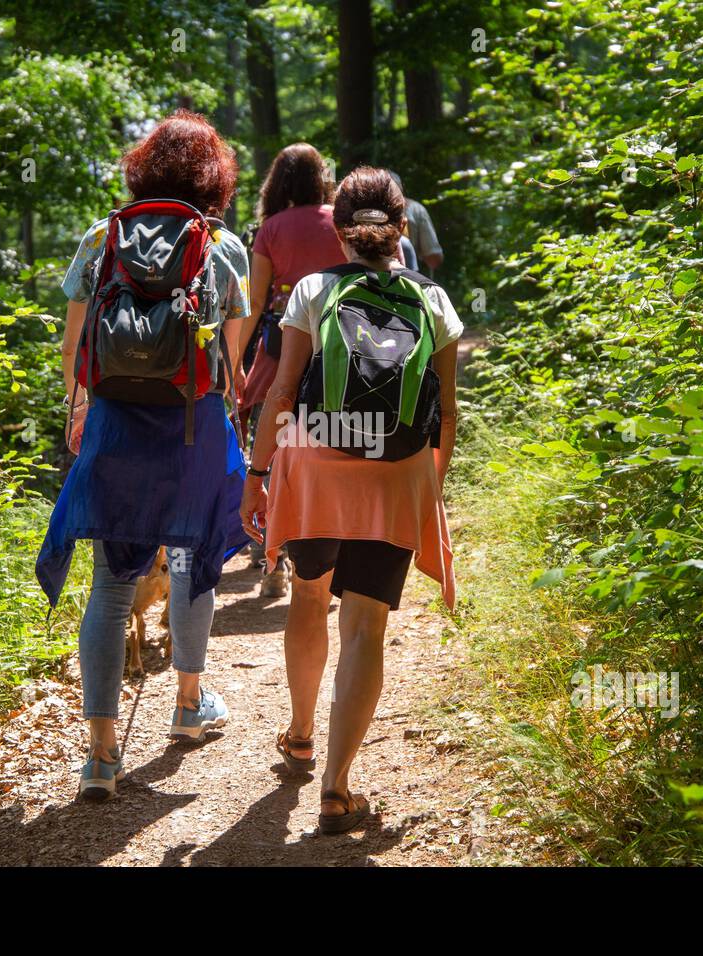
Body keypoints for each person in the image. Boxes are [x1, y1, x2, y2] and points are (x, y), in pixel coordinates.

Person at [35, 111, 251, 800]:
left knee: (109, 585)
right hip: (192, 428)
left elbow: (73, 348)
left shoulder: (102, 237)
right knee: (190, 560)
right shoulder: (223, 245)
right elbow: (231, 365)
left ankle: (100, 755)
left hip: (117, 429)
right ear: (213, 178)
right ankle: (187, 706)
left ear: (141, 169)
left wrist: (78, 410)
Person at [240, 167, 461, 833]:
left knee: (309, 594)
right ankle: (337, 787)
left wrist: (256, 474)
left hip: (315, 458)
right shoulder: (433, 300)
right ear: (401, 231)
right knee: (366, 625)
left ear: (339, 231)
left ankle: (301, 730)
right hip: (395, 472)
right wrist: (428, 488)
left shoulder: (311, 289)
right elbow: (447, 411)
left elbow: (282, 392)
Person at [236, 143, 345, 598]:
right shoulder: (340, 218)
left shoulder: (270, 228)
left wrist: (234, 363)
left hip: (284, 347)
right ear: (322, 176)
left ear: (276, 183)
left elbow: (255, 301)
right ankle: (333, 554)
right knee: (335, 444)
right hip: (340, 343)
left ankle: (273, 559)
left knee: (275, 443)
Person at [388, 170, 443, 273]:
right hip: (408, 278)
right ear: (400, 189)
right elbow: (434, 259)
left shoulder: (358, 213)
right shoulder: (416, 210)